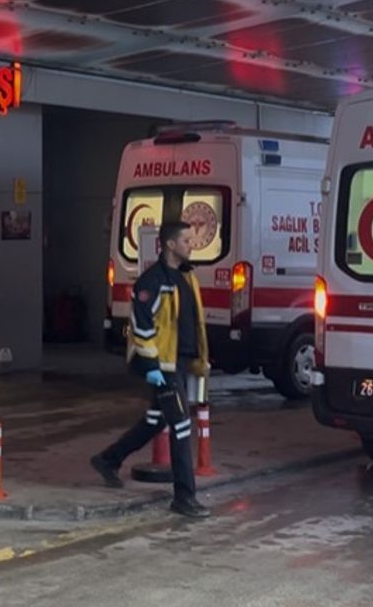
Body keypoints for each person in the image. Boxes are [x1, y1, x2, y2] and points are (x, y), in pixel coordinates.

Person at [90, 220, 211, 519]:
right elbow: (141, 328)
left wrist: (200, 359)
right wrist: (152, 366)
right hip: (164, 366)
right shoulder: (151, 282)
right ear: (170, 244)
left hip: (180, 362)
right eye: (186, 240)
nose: (191, 245)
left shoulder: (186, 277)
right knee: (181, 426)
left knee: (156, 420)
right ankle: (184, 497)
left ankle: (108, 460)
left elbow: (192, 323)